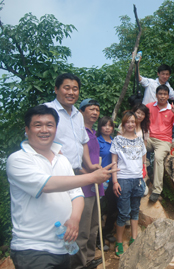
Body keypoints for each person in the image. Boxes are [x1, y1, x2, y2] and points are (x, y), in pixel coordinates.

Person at [7, 105, 116, 269]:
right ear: (27, 130)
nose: (44, 130)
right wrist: (92, 177)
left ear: (56, 129)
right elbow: (47, 184)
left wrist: (75, 219)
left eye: (49, 125)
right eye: (38, 125)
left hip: (64, 247)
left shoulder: (62, 159)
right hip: (33, 250)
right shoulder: (18, 159)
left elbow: (76, 193)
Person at [71, 99, 108, 266]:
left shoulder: (93, 133)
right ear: (81, 112)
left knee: (94, 225)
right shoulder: (77, 133)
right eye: (91, 109)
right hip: (83, 186)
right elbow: (74, 163)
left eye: (97, 110)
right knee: (83, 228)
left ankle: (90, 258)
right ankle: (80, 263)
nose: (95, 112)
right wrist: (88, 176)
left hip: (96, 185)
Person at [44, 73, 100, 175]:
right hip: (54, 172)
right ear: (56, 89)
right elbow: (38, 141)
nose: (71, 92)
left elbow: (83, 142)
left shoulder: (78, 115)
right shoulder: (46, 110)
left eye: (75, 89)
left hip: (75, 172)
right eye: (67, 88)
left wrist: (90, 166)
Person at [110, 112, 147, 257]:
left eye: (133, 122)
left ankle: (134, 238)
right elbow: (113, 161)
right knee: (123, 213)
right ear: (123, 124)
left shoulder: (139, 140)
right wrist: (114, 181)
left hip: (137, 179)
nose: (130, 124)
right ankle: (119, 242)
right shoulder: (118, 140)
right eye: (128, 122)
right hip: (123, 179)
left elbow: (143, 158)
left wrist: (144, 172)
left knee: (135, 210)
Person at [146, 85, 174, 202]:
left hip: (163, 140)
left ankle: (156, 190)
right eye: (160, 94)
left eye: (165, 94)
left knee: (158, 157)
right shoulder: (149, 107)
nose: (162, 96)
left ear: (168, 96)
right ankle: (142, 178)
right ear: (156, 95)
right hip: (149, 138)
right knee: (136, 147)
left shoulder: (172, 109)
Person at [97, 116, 118, 247]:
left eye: (110, 125)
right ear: (100, 127)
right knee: (98, 209)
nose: (107, 128)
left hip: (114, 178)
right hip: (101, 178)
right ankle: (97, 238)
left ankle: (108, 231)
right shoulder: (96, 141)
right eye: (104, 125)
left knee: (113, 207)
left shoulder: (115, 141)